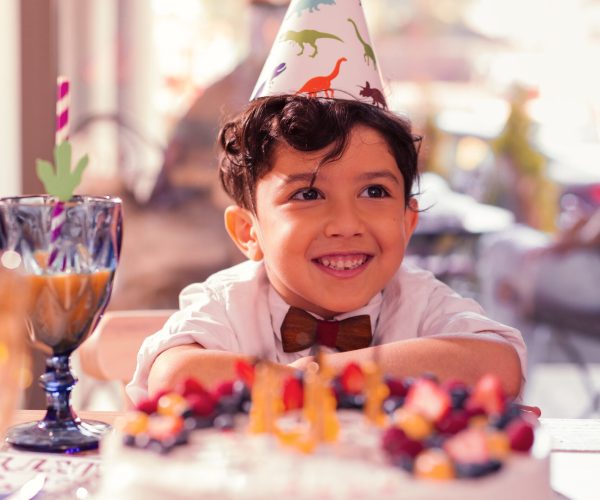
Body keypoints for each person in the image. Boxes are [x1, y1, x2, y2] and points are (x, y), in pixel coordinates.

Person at [126, 0, 524, 404]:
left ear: (407, 221)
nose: (345, 223)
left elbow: (501, 365)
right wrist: (299, 384)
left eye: (374, 192)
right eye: (308, 194)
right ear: (249, 232)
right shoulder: (230, 303)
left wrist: (324, 374)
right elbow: (173, 374)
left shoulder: (418, 301)